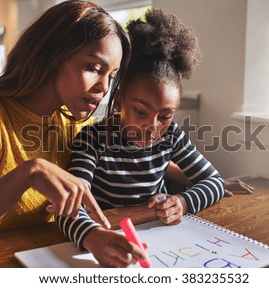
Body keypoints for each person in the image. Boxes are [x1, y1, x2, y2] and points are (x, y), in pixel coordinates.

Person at [0, 0, 133, 266]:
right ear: (53, 56)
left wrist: (92, 236)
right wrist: (27, 174)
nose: (104, 87)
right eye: (93, 68)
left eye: (111, 76)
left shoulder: (71, 123)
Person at [56, 8, 228, 268]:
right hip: (108, 242)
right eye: (140, 111)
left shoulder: (171, 136)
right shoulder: (92, 139)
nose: (152, 126)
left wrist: (183, 202)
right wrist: (92, 236)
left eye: (166, 115)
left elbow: (214, 182)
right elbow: (69, 207)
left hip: (161, 244)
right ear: (121, 97)